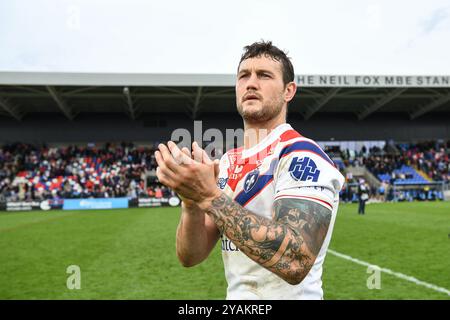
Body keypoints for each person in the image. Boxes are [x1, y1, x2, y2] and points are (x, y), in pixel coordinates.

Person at [155, 41, 345, 299]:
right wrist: (191, 203)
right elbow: (190, 256)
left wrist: (208, 197)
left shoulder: (301, 154)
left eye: (264, 75)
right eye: (244, 75)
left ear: (289, 91)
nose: (251, 83)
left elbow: (295, 261)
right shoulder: (226, 162)